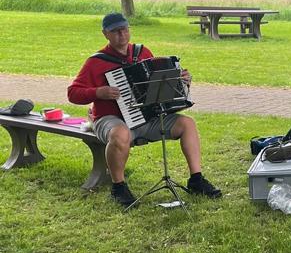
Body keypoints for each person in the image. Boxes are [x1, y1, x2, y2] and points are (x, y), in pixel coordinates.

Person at [68, 12, 222, 208]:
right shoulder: (96, 62)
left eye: (124, 29)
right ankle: (118, 187)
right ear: (105, 34)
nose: (122, 34)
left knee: (187, 124)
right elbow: (73, 93)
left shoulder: (142, 53)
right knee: (120, 133)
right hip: (110, 118)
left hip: (146, 118)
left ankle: (196, 180)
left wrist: (180, 81)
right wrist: (99, 92)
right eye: (115, 31)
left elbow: (158, 86)